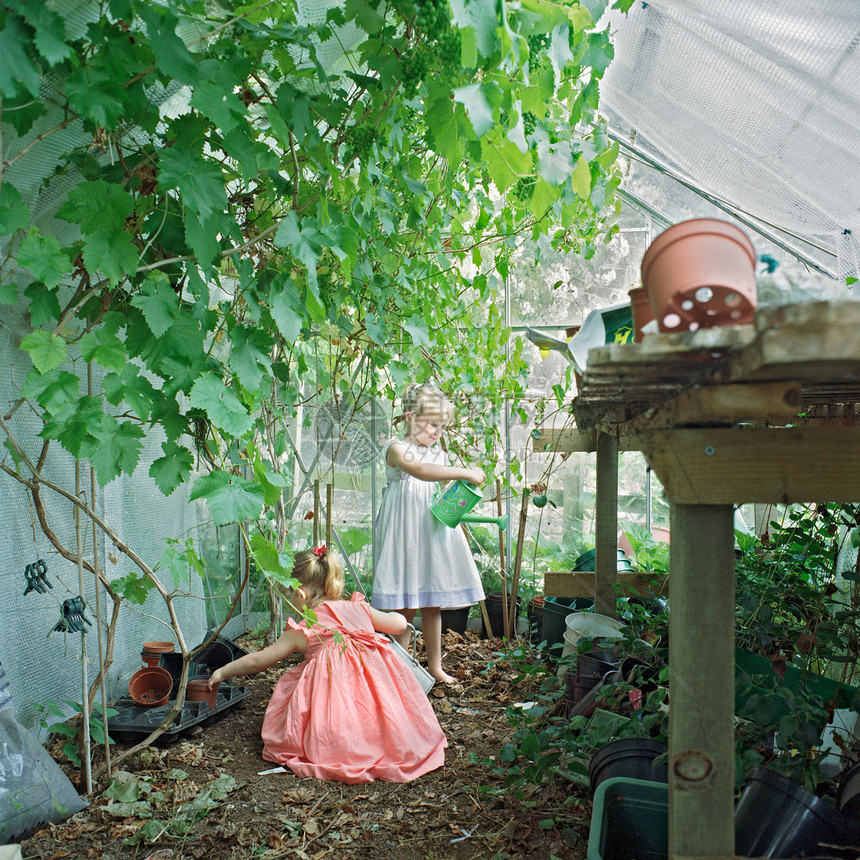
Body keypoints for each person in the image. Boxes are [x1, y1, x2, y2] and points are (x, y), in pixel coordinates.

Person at [207, 546, 447, 784]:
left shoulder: (304, 629)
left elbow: (258, 660)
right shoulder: (359, 608)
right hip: (378, 696)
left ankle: (342, 746)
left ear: (301, 594)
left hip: (336, 702)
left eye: (290, 596)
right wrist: (398, 617)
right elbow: (398, 625)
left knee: (319, 709)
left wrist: (222, 671)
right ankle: (385, 740)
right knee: (377, 718)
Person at [372, 382, 485, 684]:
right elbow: (420, 471)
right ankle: (397, 668)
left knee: (431, 599)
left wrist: (464, 495)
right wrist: (465, 471)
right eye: (432, 424)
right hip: (404, 534)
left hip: (429, 531)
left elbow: (442, 493)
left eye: (441, 426)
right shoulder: (396, 449)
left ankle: (434, 666)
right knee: (404, 603)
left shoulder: (437, 455)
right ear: (410, 417)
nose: (437, 432)